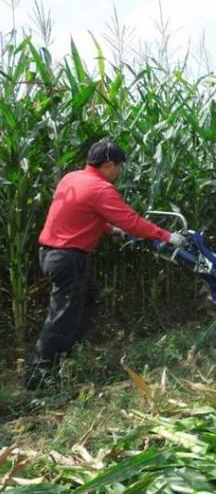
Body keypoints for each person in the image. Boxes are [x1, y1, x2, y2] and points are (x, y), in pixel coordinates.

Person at [24, 141, 187, 390]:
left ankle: (65, 358)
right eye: (120, 167)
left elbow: (79, 213)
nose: (120, 172)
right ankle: (38, 378)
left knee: (90, 298)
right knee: (61, 317)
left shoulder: (72, 178)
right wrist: (166, 236)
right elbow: (132, 221)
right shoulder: (101, 189)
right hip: (68, 257)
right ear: (109, 165)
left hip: (50, 253)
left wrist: (111, 229)